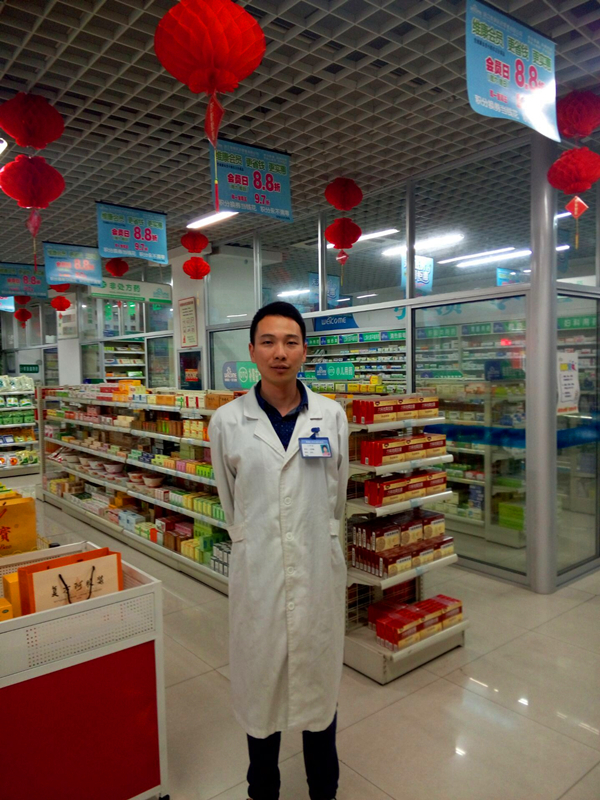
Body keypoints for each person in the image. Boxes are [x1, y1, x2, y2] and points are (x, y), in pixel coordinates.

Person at [209, 301, 349, 800]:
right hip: (260, 569)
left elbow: (336, 497)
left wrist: (320, 537)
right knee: (261, 684)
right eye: (268, 342)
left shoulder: (331, 415)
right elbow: (231, 502)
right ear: (252, 351)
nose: (280, 353)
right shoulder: (227, 422)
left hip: (317, 565)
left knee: (318, 687)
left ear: (305, 351)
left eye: (291, 342)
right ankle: (262, 789)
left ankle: (323, 790)